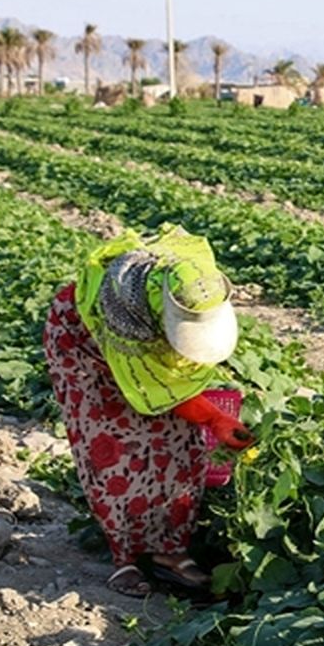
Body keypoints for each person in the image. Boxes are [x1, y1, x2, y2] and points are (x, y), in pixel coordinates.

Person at [43, 224, 255, 596]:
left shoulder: (198, 284)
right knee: (112, 443)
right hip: (83, 343)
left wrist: (212, 419)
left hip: (141, 337)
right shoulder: (128, 314)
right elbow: (160, 388)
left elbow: (171, 384)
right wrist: (212, 416)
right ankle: (123, 557)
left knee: (179, 441)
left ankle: (170, 552)